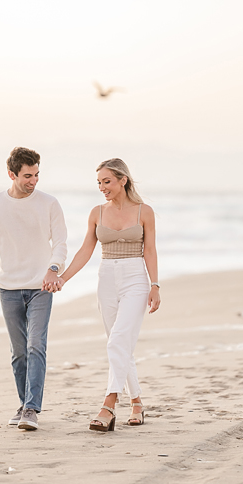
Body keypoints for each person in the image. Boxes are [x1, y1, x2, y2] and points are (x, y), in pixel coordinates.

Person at [50, 158, 161, 432]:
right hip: (107, 278)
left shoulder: (144, 211)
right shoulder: (97, 212)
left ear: (123, 180)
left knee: (117, 342)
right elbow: (86, 250)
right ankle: (137, 402)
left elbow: (150, 250)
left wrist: (155, 285)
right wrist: (63, 277)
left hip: (136, 278)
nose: (102, 187)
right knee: (119, 344)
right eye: (99, 182)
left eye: (107, 181)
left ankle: (109, 404)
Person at [0, 147, 68, 432]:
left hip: (40, 286)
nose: (33, 181)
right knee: (19, 352)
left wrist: (54, 268)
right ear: (11, 174)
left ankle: (32, 408)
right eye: (27, 176)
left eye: (36, 175)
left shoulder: (49, 203)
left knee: (36, 345)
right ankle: (24, 404)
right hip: (8, 288)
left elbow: (60, 242)